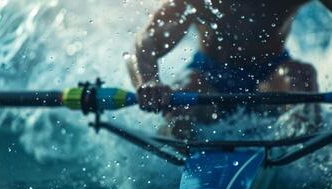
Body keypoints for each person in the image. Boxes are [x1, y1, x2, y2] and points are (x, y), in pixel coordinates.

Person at [127, 0, 332, 139]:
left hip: (270, 79)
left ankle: (304, 160)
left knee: (302, 77)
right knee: (184, 91)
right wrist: (148, 81)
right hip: (208, 77)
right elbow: (146, 43)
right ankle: (181, 156)